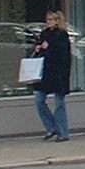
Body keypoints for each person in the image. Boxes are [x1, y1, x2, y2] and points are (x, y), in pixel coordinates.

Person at [30, 10, 72, 141]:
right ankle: (52, 127)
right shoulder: (44, 34)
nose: (48, 22)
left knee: (59, 103)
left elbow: (62, 55)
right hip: (45, 73)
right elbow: (40, 48)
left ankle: (63, 133)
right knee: (39, 101)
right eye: (47, 19)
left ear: (57, 21)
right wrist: (38, 48)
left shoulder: (62, 35)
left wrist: (49, 47)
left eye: (51, 19)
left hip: (58, 73)